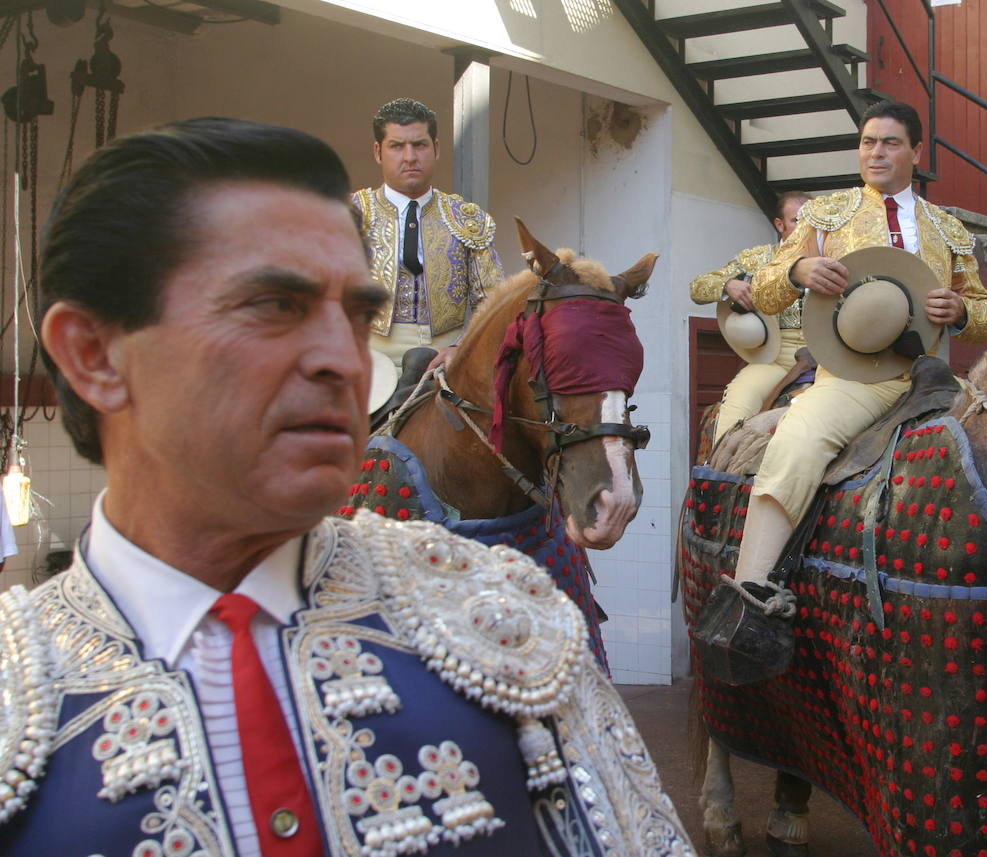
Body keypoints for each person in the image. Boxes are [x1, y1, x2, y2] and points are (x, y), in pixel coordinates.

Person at [0, 117, 692, 857]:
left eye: (356, 314)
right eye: (275, 305)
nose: (342, 357)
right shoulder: (20, 694)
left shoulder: (509, 620)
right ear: (94, 354)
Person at [732, 99, 987, 587]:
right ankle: (750, 592)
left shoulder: (947, 228)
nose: (876, 153)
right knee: (797, 443)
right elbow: (768, 290)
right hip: (853, 379)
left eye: (890, 143)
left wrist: (961, 312)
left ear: (916, 151)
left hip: (934, 378)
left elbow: (986, 314)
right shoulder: (826, 216)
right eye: (867, 142)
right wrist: (798, 270)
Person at [353, 98, 503, 371]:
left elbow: (494, 302)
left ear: (435, 148)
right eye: (397, 146)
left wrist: (462, 347)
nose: (409, 157)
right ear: (378, 152)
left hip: (446, 356)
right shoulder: (350, 215)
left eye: (419, 145)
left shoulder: (466, 217)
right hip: (367, 355)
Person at [689, 191, 811, 440]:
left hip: (831, 356)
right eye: (797, 220)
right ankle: (721, 472)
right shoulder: (758, 258)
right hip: (775, 358)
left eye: (812, 220)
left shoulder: (834, 255)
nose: (806, 227)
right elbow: (698, 287)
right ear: (780, 224)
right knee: (738, 404)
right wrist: (727, 285)